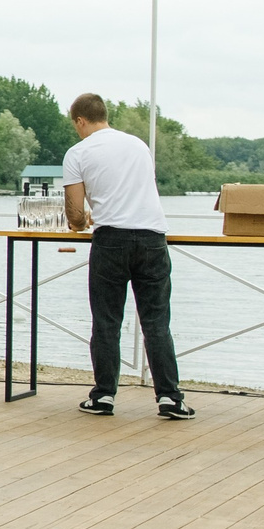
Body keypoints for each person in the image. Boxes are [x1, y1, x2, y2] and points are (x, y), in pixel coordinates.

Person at [63, 92, 191, 419]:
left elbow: (75, 216)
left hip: (111, 241)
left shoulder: (77, 153)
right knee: (156, 322)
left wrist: (84, 219)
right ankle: (170, 398)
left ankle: (104, 396)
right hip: (152, 238)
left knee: (107, 322)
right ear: (104, 115)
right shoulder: (138, 145)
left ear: (80, 120)